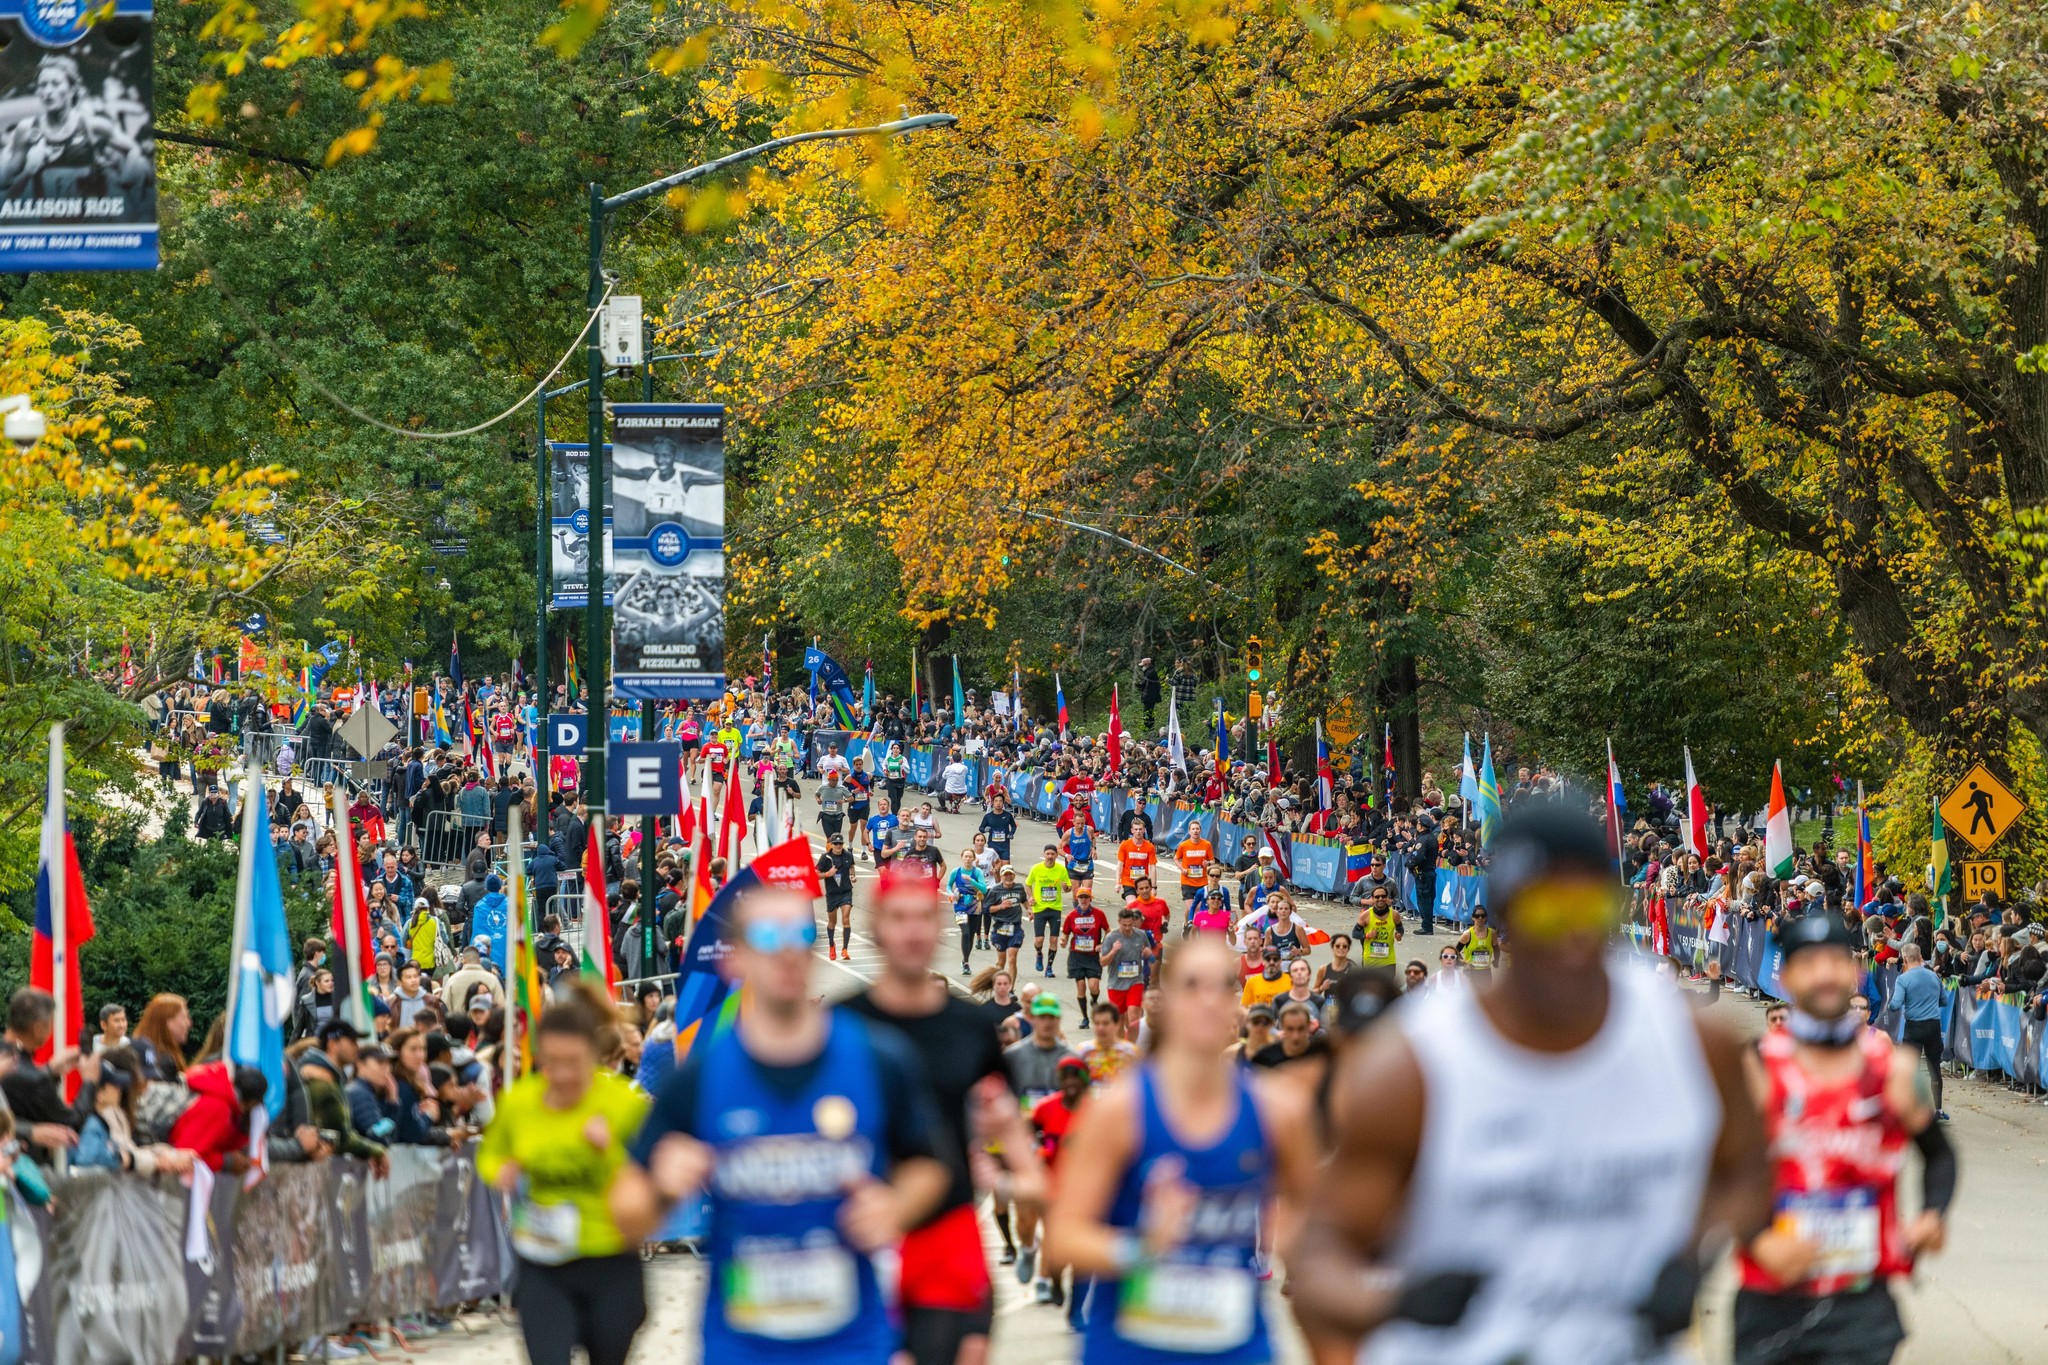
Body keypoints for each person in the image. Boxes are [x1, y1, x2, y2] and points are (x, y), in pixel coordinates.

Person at [1289, 802, 1772, 1363]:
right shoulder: (1414, 1068)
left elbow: (1748, 1168)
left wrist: (1694, 1253)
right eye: (1546, 913)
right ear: (1504, 922)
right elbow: (1318, 1259)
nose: (1571, 936)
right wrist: (1399, 1303)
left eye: (1587, 909)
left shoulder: (1691, 1045)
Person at [610, 885, 951, 1365]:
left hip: (855, 1342)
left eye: (801, 934)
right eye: (769, 936)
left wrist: (896, 1208)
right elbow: (626, 1212)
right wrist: (663, 1190)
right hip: (742, 1344)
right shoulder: (700, 1078)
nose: (788, 950)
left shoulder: (878, 1058)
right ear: (736, 960)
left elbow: (930, 1166)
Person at [1042, 934, 1317, 1364]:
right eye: (1192, 985)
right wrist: (1141, 1248)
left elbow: (1318, 1228)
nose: (1207, 1000)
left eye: (1221, 985)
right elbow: (1062, 1237)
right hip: (1130, 1349)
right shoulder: (1119, 1111)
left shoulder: (1279, 1110)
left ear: (1236, 1001)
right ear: (1167, 999)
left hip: (1236, 1346)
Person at [842, 862, 1047, 1365]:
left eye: (923, 918)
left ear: (941, 926)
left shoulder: (971, 1029)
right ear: (876, 927)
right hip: (859, 1233)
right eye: (898, 917)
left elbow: (1011, 1131)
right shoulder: (841, 1025)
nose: (912, 931)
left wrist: (1018, 1172)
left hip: (947, 1235)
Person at [1732, 915, 1956, 1365]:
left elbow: (1939, 1153)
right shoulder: (1759, 1066)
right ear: (1788, 976)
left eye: (1836, 961)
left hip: (1861, 1304)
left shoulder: (1889, 1067)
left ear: (1852, 971)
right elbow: (1718, 1174)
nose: (1825, 974)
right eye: (1809, 963)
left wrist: (1932, 1214)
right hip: (1771, 1301)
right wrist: (1758, 1240)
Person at [479, 980, 651, 1365]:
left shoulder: (622, 1102)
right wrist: (501, 1170)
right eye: (552, 1063)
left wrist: (612, 1151)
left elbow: (651, 1177)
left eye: (573, 1062)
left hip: (608, 1255)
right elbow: (489, 1155)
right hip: (543, 1262)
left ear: (593, 1054)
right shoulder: (520, 1102)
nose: (562, 1074)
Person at [1890, 942, 1948, 1121]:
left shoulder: (1903, 979)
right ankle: (1937, 1109)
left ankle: (1911, 1109)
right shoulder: (1933, 976)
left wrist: (1893, 1005)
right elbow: (1944, 1001)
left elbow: (1895, 1004)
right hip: (1933, 1025)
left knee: (1909, 1069)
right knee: (1934, 1068)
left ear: (1905, 959)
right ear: (1920, 956)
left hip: (1913, 1027)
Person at [1062, 887, 1111, 1025]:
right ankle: (1085, 1018)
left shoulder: (1099, 914)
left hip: (1092, 956)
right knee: (1081, 986)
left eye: (1086, 897)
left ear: (1090, 899)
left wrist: (1103, 944)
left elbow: (1108, 931)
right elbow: (1065, 932)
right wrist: (1063, 940)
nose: (1083, 900)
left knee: (1094, 986)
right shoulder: (1072, 915)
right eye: (1081, 897)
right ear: (1077, 899)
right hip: (1076, 956)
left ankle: (1094, 1000)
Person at [1026, 843, 1074, 977]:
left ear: (1056, 855)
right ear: (1044, 854)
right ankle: (1039, 953)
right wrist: (1031, 897)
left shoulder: (1061, 869)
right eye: (1048, 854)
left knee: (1053, 939)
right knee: (1039, 939)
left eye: (1053, 854)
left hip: (1055, 907)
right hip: (1040, 908)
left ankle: (1049, 968)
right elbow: (1028, 884)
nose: (1050, 856)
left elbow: (1069, 888)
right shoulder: (1036, 869)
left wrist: (1065, 887)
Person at [818, 830, 857, 961]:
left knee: (845, 919)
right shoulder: (825, 858)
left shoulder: (847, 855)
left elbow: (851, 866)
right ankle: (831, 945)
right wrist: (827, 874)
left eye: (840, 843)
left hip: (846, 891)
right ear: (831, 844)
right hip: (832, 893)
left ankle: (845, 949)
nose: (838, 846)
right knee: (832, 922)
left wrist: (852, 875)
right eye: (836, 843)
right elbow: (816, 874)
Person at [1455, 906, 1500, 974]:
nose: (1480, 918)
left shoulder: (1492, 933)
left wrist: (1496, 960)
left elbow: (1496, 949)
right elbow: (1455, 951)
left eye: (1483, 916)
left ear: (1486, 917)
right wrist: (1464, 962)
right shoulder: (1467, 934)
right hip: (1470, 972)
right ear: (1473, 918)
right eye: (1477, 916)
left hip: (1486, 972)